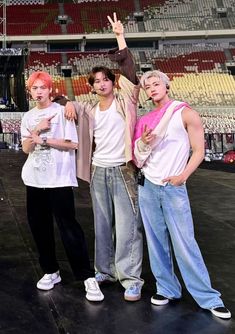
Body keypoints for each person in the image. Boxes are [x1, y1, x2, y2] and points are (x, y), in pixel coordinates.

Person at [132, 70, 231, 319]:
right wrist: (143, 142)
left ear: (167, 85)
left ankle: (208, 298)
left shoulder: (185, 113)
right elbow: (140, 155)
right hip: (148, 185)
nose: (152, 88)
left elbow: (198, 150)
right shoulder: (147, 118)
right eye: (147, 86)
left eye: (156, 84)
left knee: (185, 242)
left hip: (173, 186)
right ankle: (167, 288)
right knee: (156, 243)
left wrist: (183, 176)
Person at [65, 13, 144, 301]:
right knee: (102, 223)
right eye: (95, 81)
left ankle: (131, 277)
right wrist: (70, 104)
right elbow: (66, 103)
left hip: (123, 169)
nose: (100, 84)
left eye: (105, 79)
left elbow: (130, 71)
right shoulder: (90, 109)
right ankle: (105, 271)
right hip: (98, 170)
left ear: (113, 82)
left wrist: (120, 37)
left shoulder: (126, 100)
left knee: (127, 225)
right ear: (92, 86)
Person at [20, 71, 104, 302]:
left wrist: (44, 139)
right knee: (40, 228)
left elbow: (72, 143)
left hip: (58, 180)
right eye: (34, 88)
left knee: (69, 227)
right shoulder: (28, 117)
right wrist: (37, 130)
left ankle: (87, 277)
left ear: (50, 89)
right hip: (34, 179)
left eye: (42, 87)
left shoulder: (62, 112)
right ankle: (50, 271)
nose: (38, 91)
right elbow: (27, 148)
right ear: (30, 91)